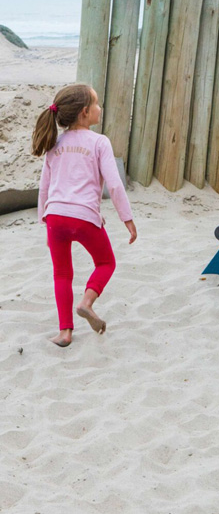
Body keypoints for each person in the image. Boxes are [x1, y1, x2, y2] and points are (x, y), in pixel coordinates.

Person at [32, 84, 137, 347]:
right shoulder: (99, 142)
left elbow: (44, 187)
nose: (101, 108)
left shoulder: (54, 143)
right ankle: (87, 303)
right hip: (84, 217)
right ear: (85, 112)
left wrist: (44, 223)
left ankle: (65, 332)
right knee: (106, 263)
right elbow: (114, 184)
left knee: (62, 274)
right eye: (98, 103)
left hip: (55, 216)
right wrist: (127, 218)